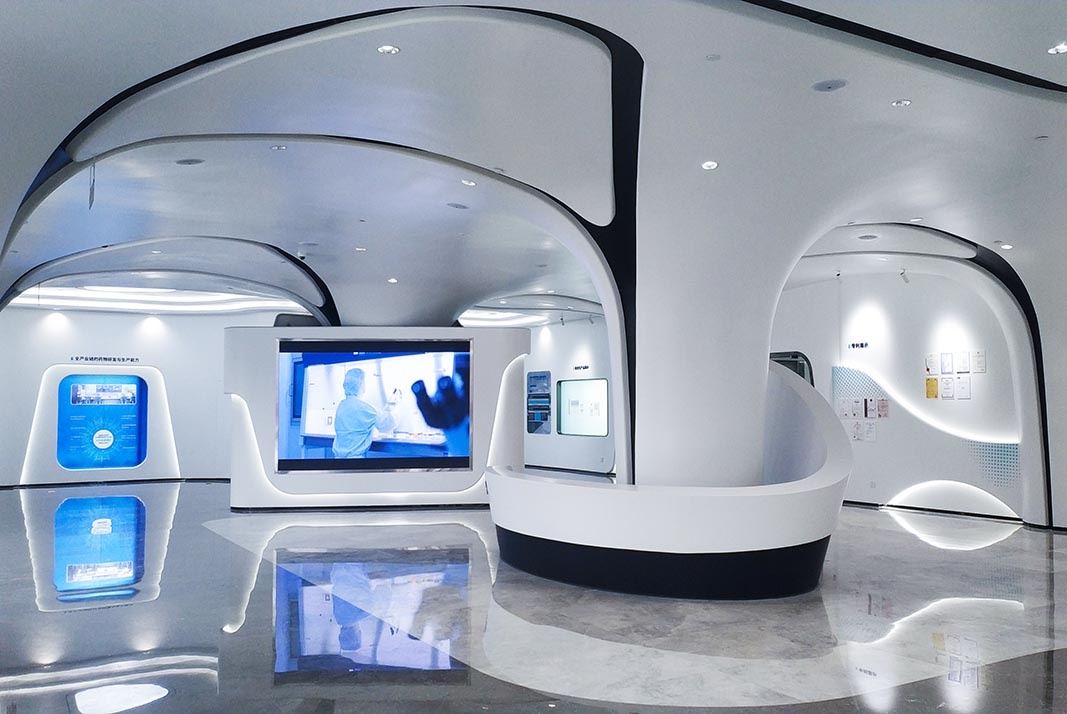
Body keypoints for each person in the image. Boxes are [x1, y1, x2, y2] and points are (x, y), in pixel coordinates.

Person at [332, 368, 395, 458]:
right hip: (355, 460)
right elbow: (387, 424)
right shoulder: (363, 407)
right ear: (360, 384)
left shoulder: (342, 406)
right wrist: (396, 408)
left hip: (338, 458)